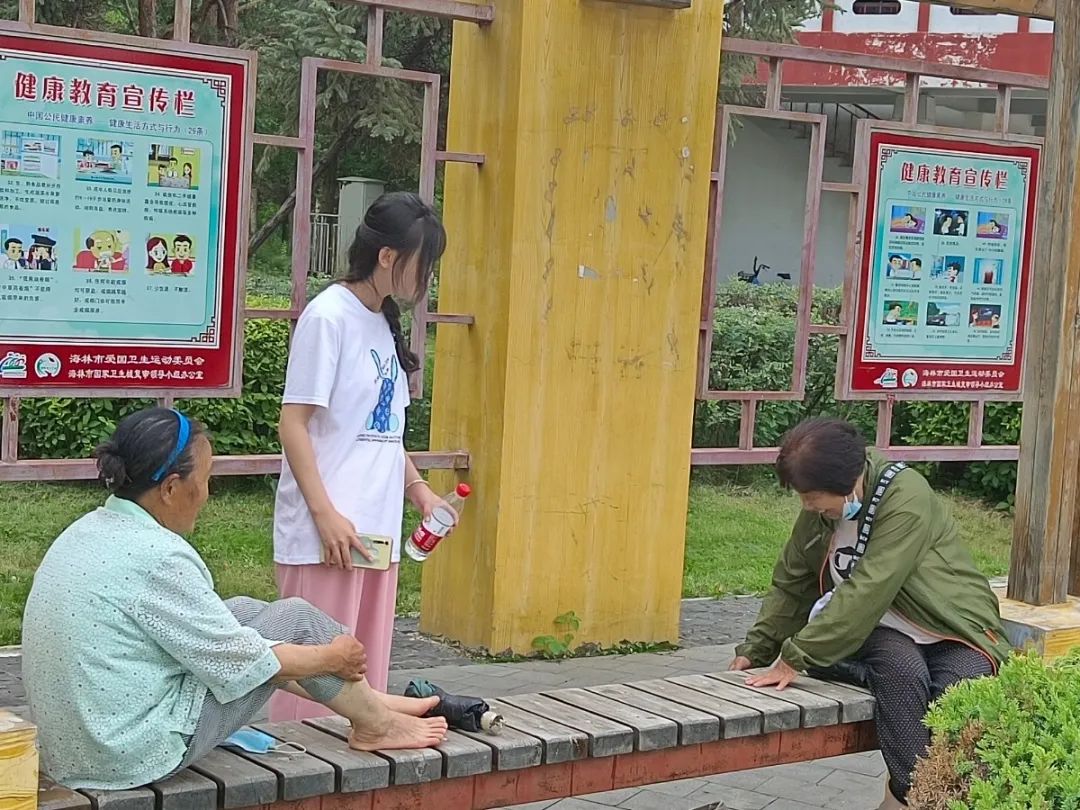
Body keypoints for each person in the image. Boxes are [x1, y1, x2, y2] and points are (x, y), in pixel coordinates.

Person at [21, 408, 449, 791]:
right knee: (296, 621)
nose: (208, 494)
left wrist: (319, 661)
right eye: (206, 480)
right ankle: (374, 722)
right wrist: (330, 658)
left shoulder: (88, 531)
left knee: (241, 611)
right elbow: (242, 662)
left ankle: (369, 703)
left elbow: (227, 647)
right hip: (127, 756)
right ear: (170, 488)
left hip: (78, 749)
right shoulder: (159, 558)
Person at [729, 419, 1011, 808]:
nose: (807, 506)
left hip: (951, 627)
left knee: (961, 690)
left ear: (848, 481)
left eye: (811, 497)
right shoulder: (821, 511)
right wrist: (756, 650)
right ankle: (921, 798)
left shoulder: (906, 496)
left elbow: (870, 588)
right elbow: (792, 583)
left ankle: (919, 799)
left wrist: (796, 656)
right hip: (875, 629)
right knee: (901, 672)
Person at [270, 191, 451, 721]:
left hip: (375, 535)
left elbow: (382, 433)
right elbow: (293, 423)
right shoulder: (329, 317)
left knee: (364, 693)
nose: (427, 279)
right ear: (387, 256)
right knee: (315, 695)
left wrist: (420, 492)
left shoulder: (381, 320)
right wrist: (324, 515)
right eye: (423, 264)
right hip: (328, 538)